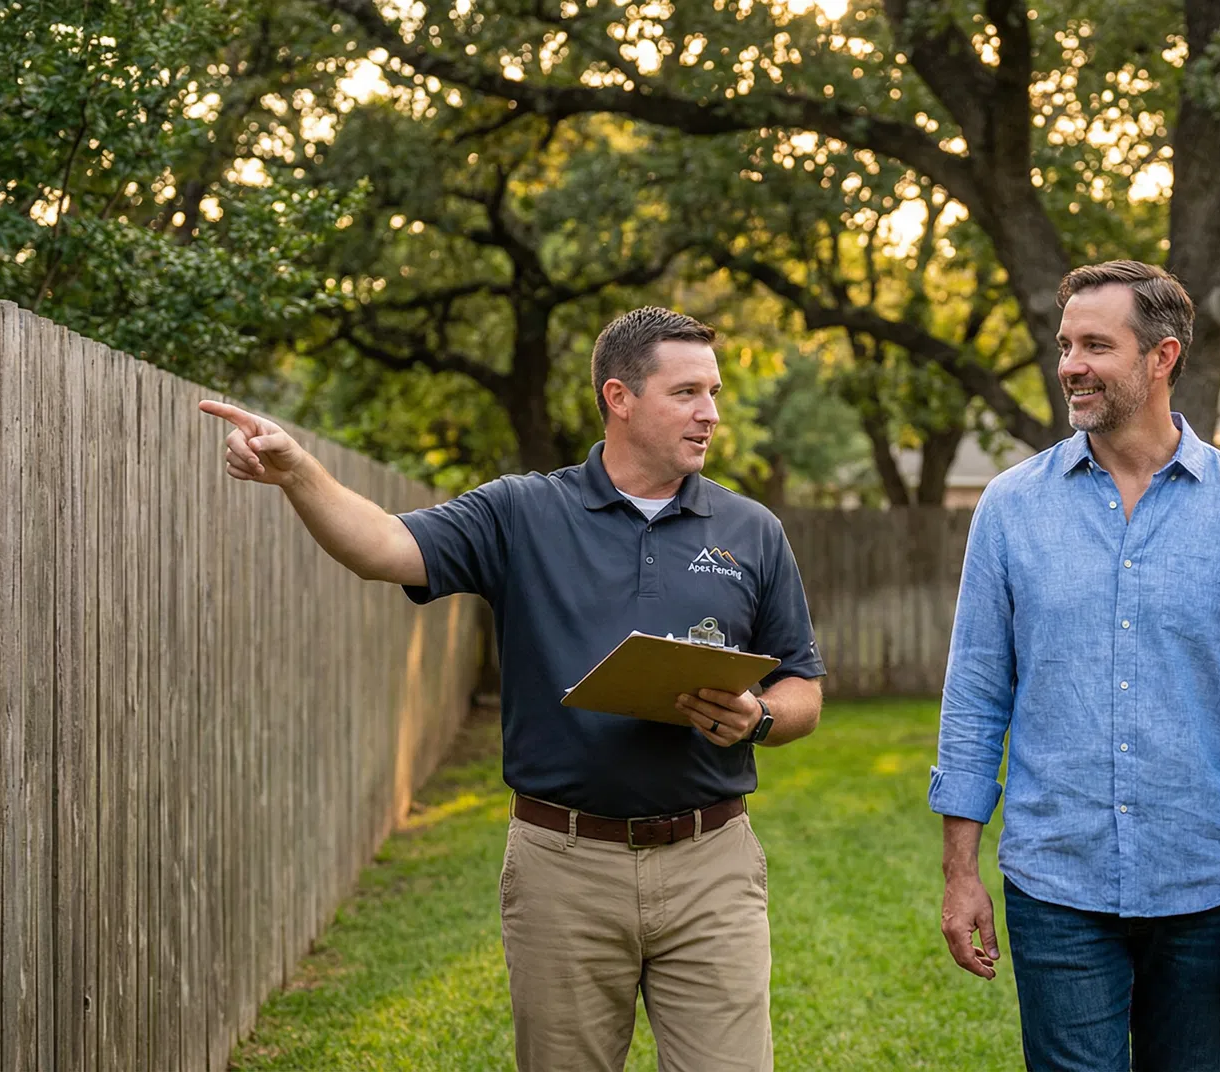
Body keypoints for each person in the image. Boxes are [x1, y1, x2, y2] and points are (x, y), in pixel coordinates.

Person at [200, 307, 825, 1072]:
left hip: (712, 864)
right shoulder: (524, 510)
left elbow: (803, 685)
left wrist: (759, 717)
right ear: (619, 396)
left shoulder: (751, 529)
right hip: (563, 865)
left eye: (715, 392)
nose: (711, 414)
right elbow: (383, 547)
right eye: (688, 392)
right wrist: (298, 471)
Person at [932, 260, 1220, 1072]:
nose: (1070, 364)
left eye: (1096, 345)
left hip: (1205, 886)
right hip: (1056, 881)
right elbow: (973, 699)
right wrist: (960, 872)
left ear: (1162, 357)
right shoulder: (1009, 507)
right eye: (1066, 344)